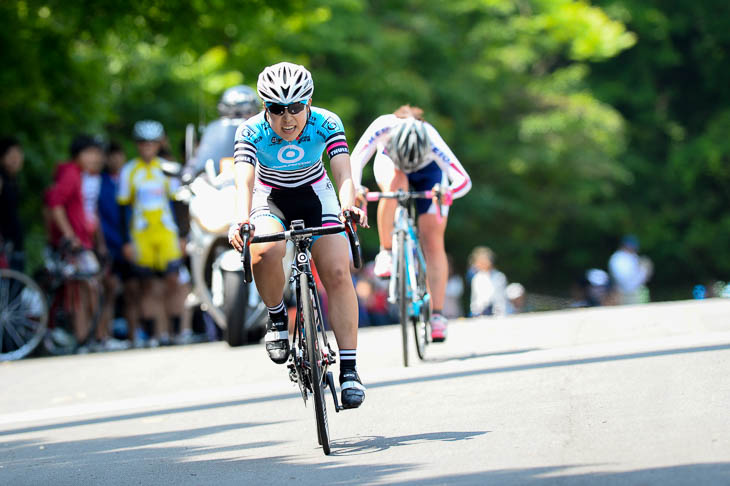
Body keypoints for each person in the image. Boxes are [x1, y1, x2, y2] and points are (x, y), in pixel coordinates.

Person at [228, 62, 368, 409]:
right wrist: (239, 220)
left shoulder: (327, 122)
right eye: (276, 109)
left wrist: (348, 206)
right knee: (265, 250)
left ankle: (349, 369)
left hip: (316, 194)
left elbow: (342, 172)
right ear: (265, 107)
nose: (286, 119)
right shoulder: (250, 131)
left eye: (294, 108)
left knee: (337, 271)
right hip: (270, 196)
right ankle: (276, 318)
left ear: (308, 103)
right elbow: (244, 180)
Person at [350, 105, 472, 342]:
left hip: (430, 173)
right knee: (396, 184)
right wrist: (356, 188)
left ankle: (437, 315)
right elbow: (355, 160)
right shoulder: (382, 126)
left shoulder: (432, 138)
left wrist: (445, 192)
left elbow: (463, 181)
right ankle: (386, 251)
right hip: (391, 164)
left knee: (433, 241)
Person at [117, 120, 184, 347]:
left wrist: (183, 236)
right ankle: (153, 335)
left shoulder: (167, 167)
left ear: (158, 144)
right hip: (141, 233)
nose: (147, 147)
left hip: (166, 232)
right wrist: (126, 241)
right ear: (137, 145)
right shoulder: (129, 170)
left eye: (151, 143)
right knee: (146, 284)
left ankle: (174, 332)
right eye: (143, 143)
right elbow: (124, 208)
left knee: (172, 280)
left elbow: (177, 204)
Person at [45, 134, 105, 344]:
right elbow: (54, 203)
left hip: (82, 241)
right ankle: (87, 336)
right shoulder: (71, 173)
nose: (94, 158)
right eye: (89, 153)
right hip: (76, 244)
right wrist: (69, 235)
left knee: (85, 288)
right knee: (87, 288)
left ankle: (89, 336)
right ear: (78, 154)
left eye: (96, 153)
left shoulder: (78, 174)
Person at [98, 142, 137, 348]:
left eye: (118, 155)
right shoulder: (99, 183)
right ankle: (104, 335)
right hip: (109, 244)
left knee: (132, 290)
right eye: (111, 156)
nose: (115, 160)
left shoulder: (130, 177)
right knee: (110, 291)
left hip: (129, 242)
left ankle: (133, 336)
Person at [0, 137, 25, 271]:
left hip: (15, 241)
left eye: (19, 154)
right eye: (11, 155)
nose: (16, 159)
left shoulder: (13, 180)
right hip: (4, 243)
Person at [608, 235, 653, 305]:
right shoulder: (618, 258)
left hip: (636, 292)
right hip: (624, 294)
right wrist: (644, 270)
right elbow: (624, 281)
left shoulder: (632, 256)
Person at [468, 246, 507, 317]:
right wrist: (475, 311)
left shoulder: (499, 276)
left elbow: (500, 298)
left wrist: (500, 312)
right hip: (480, 313)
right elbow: (475, 297)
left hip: (496, 312)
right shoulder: (477, 277)